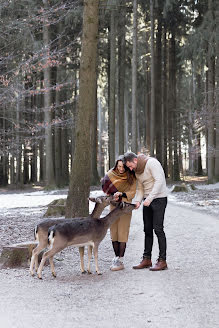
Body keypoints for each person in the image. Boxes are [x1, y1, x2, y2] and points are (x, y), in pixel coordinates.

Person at [123, 151, 168, 271]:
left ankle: (162, 261)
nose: (130, 169)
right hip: (148, 200)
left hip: (159, 199)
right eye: (129, 167)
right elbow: (141, 188)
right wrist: (138, 201)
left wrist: (149, 198)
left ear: (135, 160)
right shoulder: (137, 171)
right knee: (147, 230)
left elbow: (160, 181)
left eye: (131, 166)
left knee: (158, 229)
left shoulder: (152, 163)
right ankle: (147, 259)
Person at [101, 155, 136, 271]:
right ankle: (116, 257)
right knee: (114, 231)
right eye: (119, 166)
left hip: (125, 207)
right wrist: (112, 196)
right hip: (113, 206)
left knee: (123, 231)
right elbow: (106, 190)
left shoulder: (130, 175)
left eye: (123, 167)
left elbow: (133, 191)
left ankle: (120, 259)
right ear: (116, 165)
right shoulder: (110, 174)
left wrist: (122, 194)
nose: (121, 169)